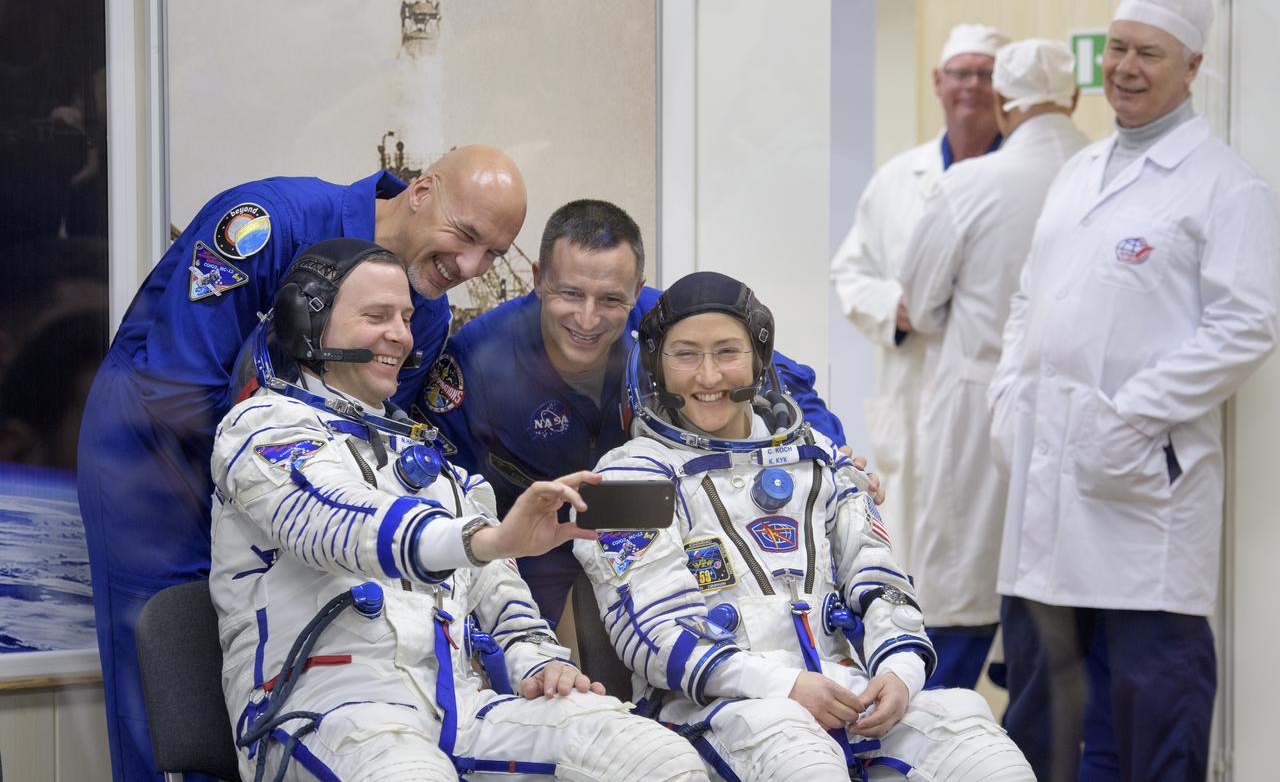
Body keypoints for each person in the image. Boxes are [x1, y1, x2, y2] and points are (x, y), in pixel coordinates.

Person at [77, 145, 527, 781]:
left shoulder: (423, 317)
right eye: (466, 236)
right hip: (157, 463)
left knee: (273, 665)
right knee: (163, 675)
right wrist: (258, 501)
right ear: (422, 191)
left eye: (495, 255)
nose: (470, 265)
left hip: (293, 494)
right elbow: (176, 384)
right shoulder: (268, 222)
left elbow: (374, 444)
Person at [211, 238, 707, 781]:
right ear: (308, 324)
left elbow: (495, 588)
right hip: (330, 711)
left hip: (455, 706)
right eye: (377, 317)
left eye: (404, 317)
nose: (400, 336)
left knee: (655, 758)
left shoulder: (428, 460)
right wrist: (483, 539)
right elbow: (339, 522)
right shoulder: (261, 429)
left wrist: (538, 661)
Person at [572, 271, 1033, 781]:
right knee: (801, 757)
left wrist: (898, 674)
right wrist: (784, 684)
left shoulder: (821, 459)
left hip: (841, 692)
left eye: (727, 352)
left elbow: (883, 583)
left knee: (977, 741)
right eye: (685, 355)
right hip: (712, 705)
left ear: (759, 359)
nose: (707, 377)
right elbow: (651, 634)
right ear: (657, 364)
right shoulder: (624, 477)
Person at [989, 0, 1280, 779]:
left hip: (1140, 491)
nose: (1125, 67)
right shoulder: (1078, 171)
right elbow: (1028, 299)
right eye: (1116, 48)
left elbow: (1248, 323)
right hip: (1045, 487)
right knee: (1037, 720)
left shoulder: (1224, 186)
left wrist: (1131, 417)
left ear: (1193, 66)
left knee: (1155, 719)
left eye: (1149, 53)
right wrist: (1008, 397)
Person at [421, 199, 854, 624]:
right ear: (538, 278)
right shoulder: (479, 357)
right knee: (531, 665)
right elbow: (442, 477)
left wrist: (831, 454)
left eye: (611, 299)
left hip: (658, 518)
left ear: (637, 289)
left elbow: (778, 381)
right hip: (538, 537)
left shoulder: (665, 322)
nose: (588, 319)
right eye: (570, 293)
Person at [895, 39, 1089, 689]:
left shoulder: (972, 182)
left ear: (1004, 102)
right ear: (1076, 97)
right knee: (1057, 601)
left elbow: (919, 305)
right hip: (1091, 416)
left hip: (981, 408)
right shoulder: (1105, 173)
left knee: (963, 588)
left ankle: (934, 741)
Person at [830, 23, 1007, 575]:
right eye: (961, 73)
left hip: (996, 387)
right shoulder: (897, 180)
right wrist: (902, 309)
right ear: (938, 81)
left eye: (986, 74)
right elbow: (851, 273)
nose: (972, 86)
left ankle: (1002, 663)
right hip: (915, 387)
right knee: (920, 551)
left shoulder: (1023, 179)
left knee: (997, 544)